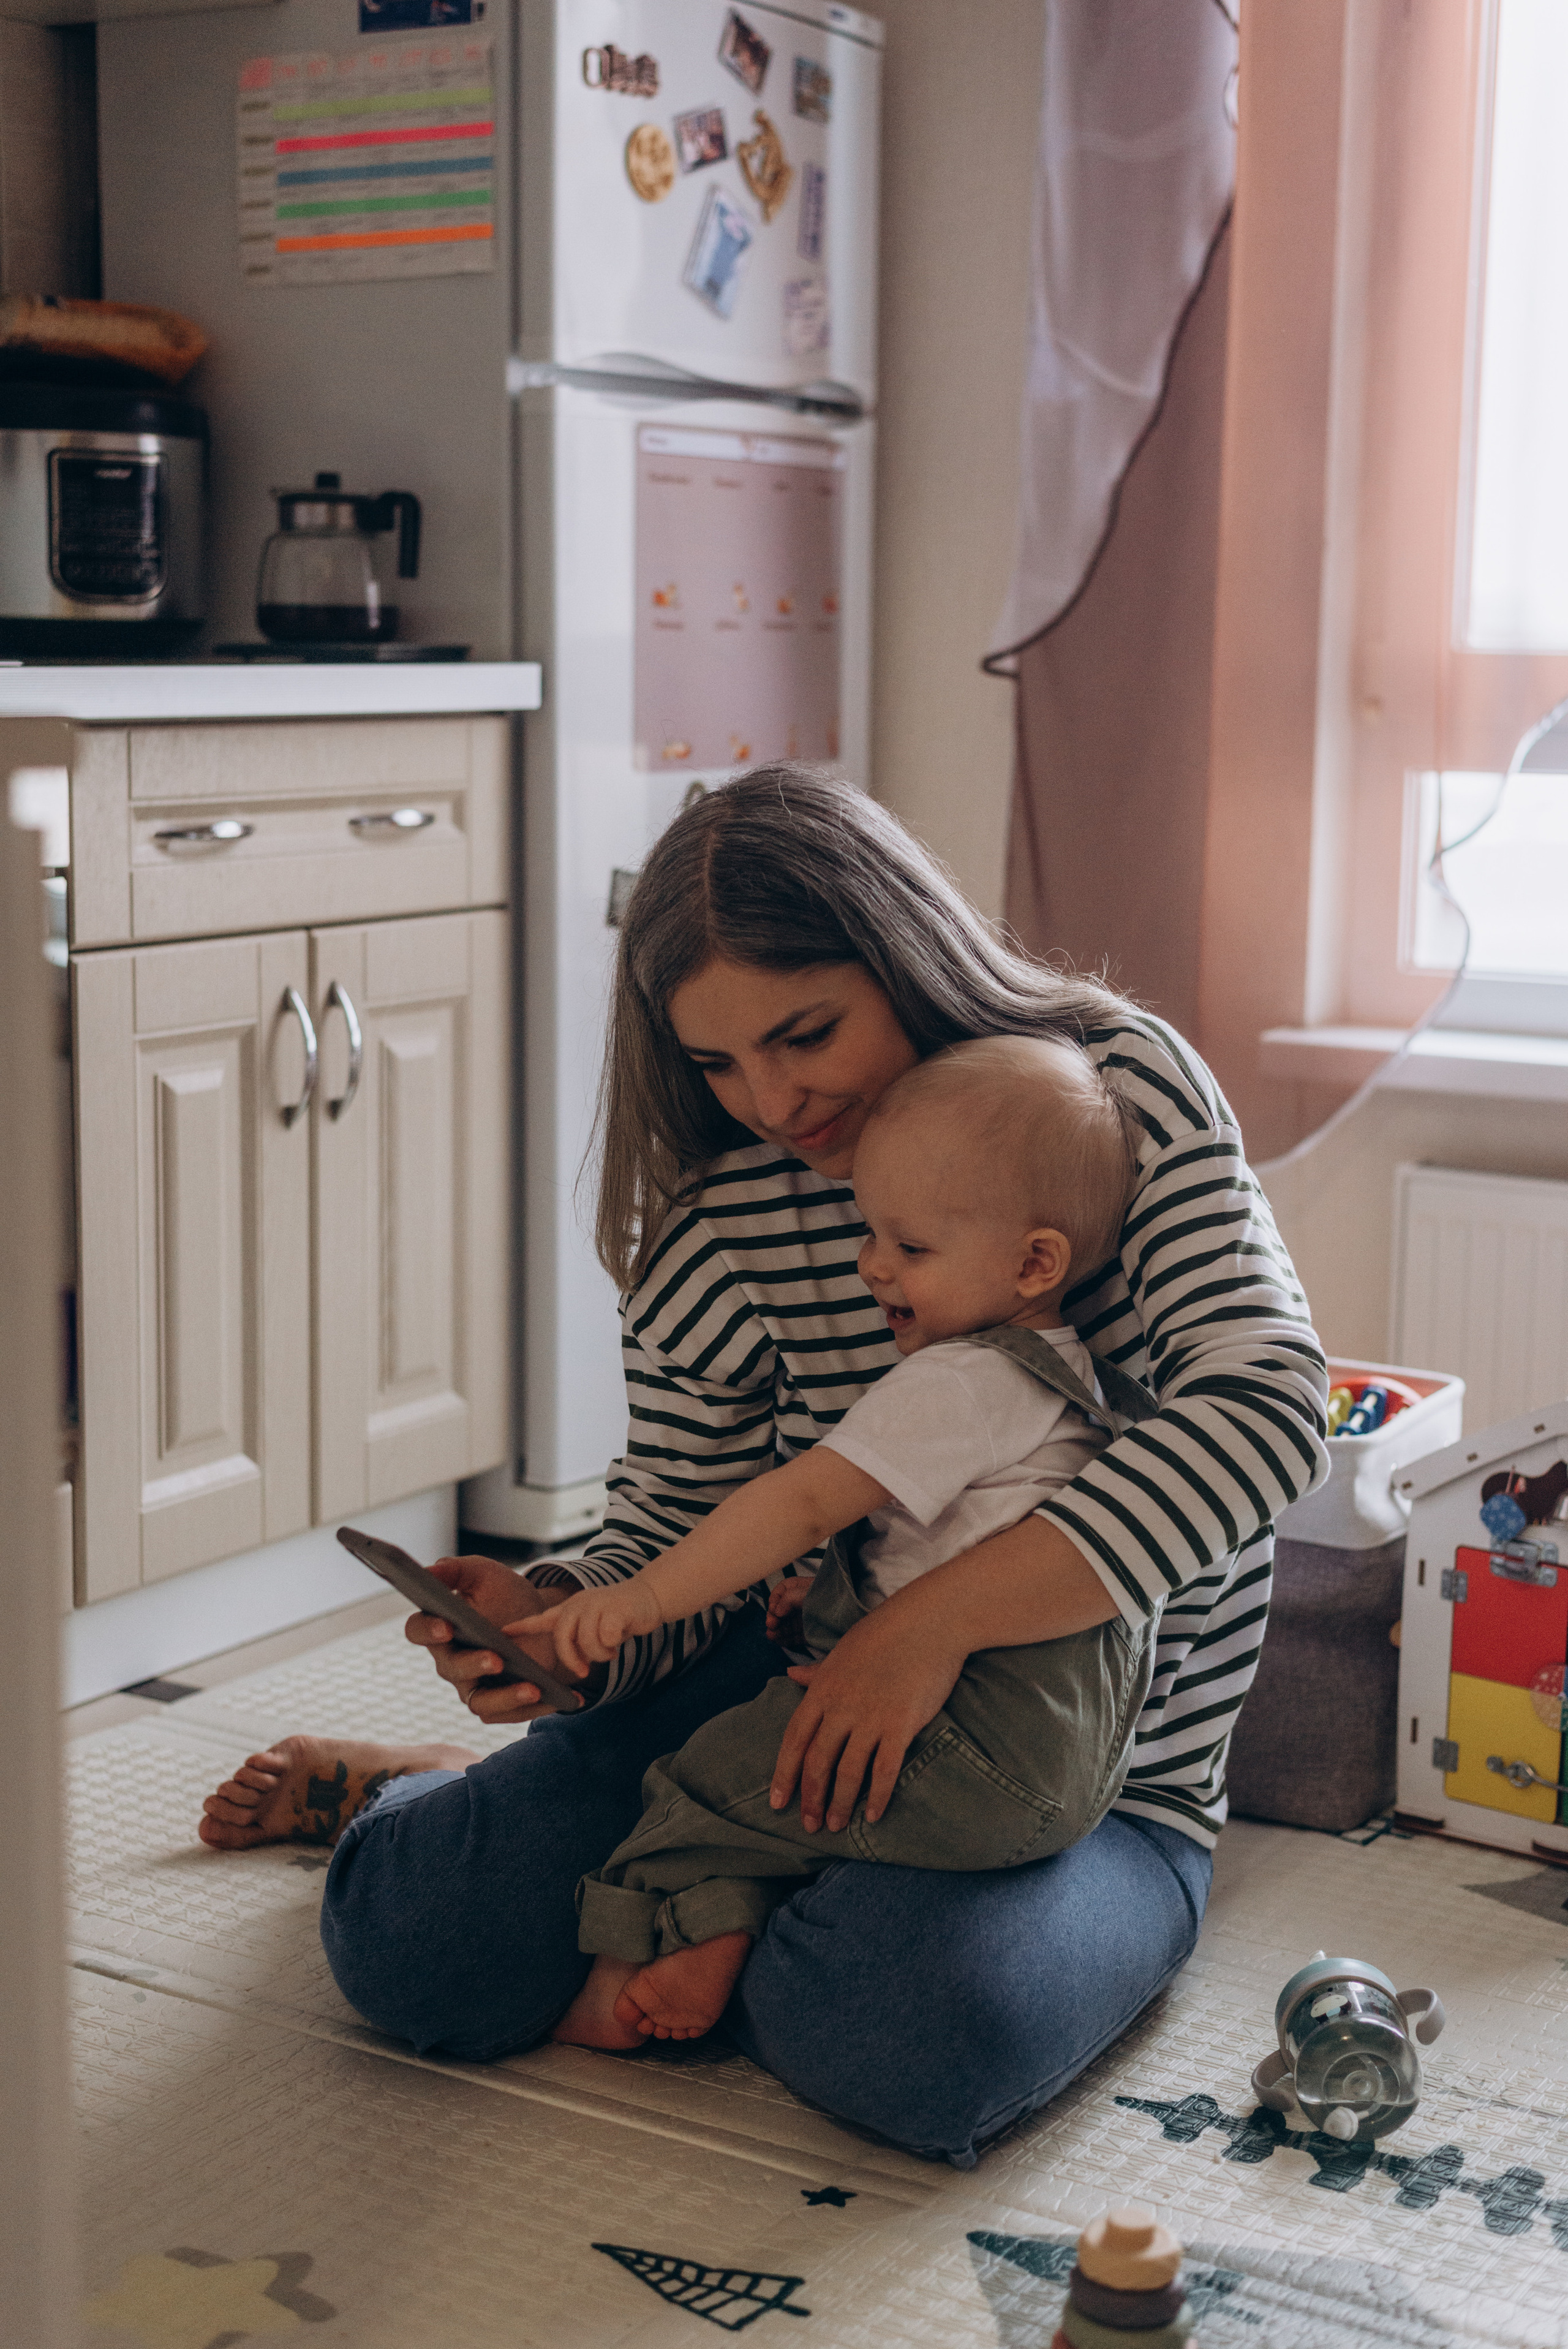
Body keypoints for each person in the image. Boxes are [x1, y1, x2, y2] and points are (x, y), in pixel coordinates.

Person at [197, 768, 1328, 2171]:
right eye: (720, 1064)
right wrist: (563, 1621)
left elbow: (1273, 1405)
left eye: (806, 1033)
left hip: (1086, 1785)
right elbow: (672, 1534)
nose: (773, 1099)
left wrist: (924, 1630)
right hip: (772, 1716)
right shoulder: (723, 1215)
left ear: (904, 960)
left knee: (903, 2032)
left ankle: (701, 1906)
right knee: (411, 1945)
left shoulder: (1101, 1093)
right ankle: (427, 1802)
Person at [540, 1031, 1158, 2049]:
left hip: (978, 1739)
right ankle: (720, 1936)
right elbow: (943, 1549)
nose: (874, 1265)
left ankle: (619, 1988)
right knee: (779, 1794)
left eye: (910, 1247)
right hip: (1068, 1758)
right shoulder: (1071, 1382)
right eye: (871, 1234)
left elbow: (800, 1503)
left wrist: (641, 1599)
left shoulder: (961, 1380)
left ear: (1034, 1260)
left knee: (697, 1785)